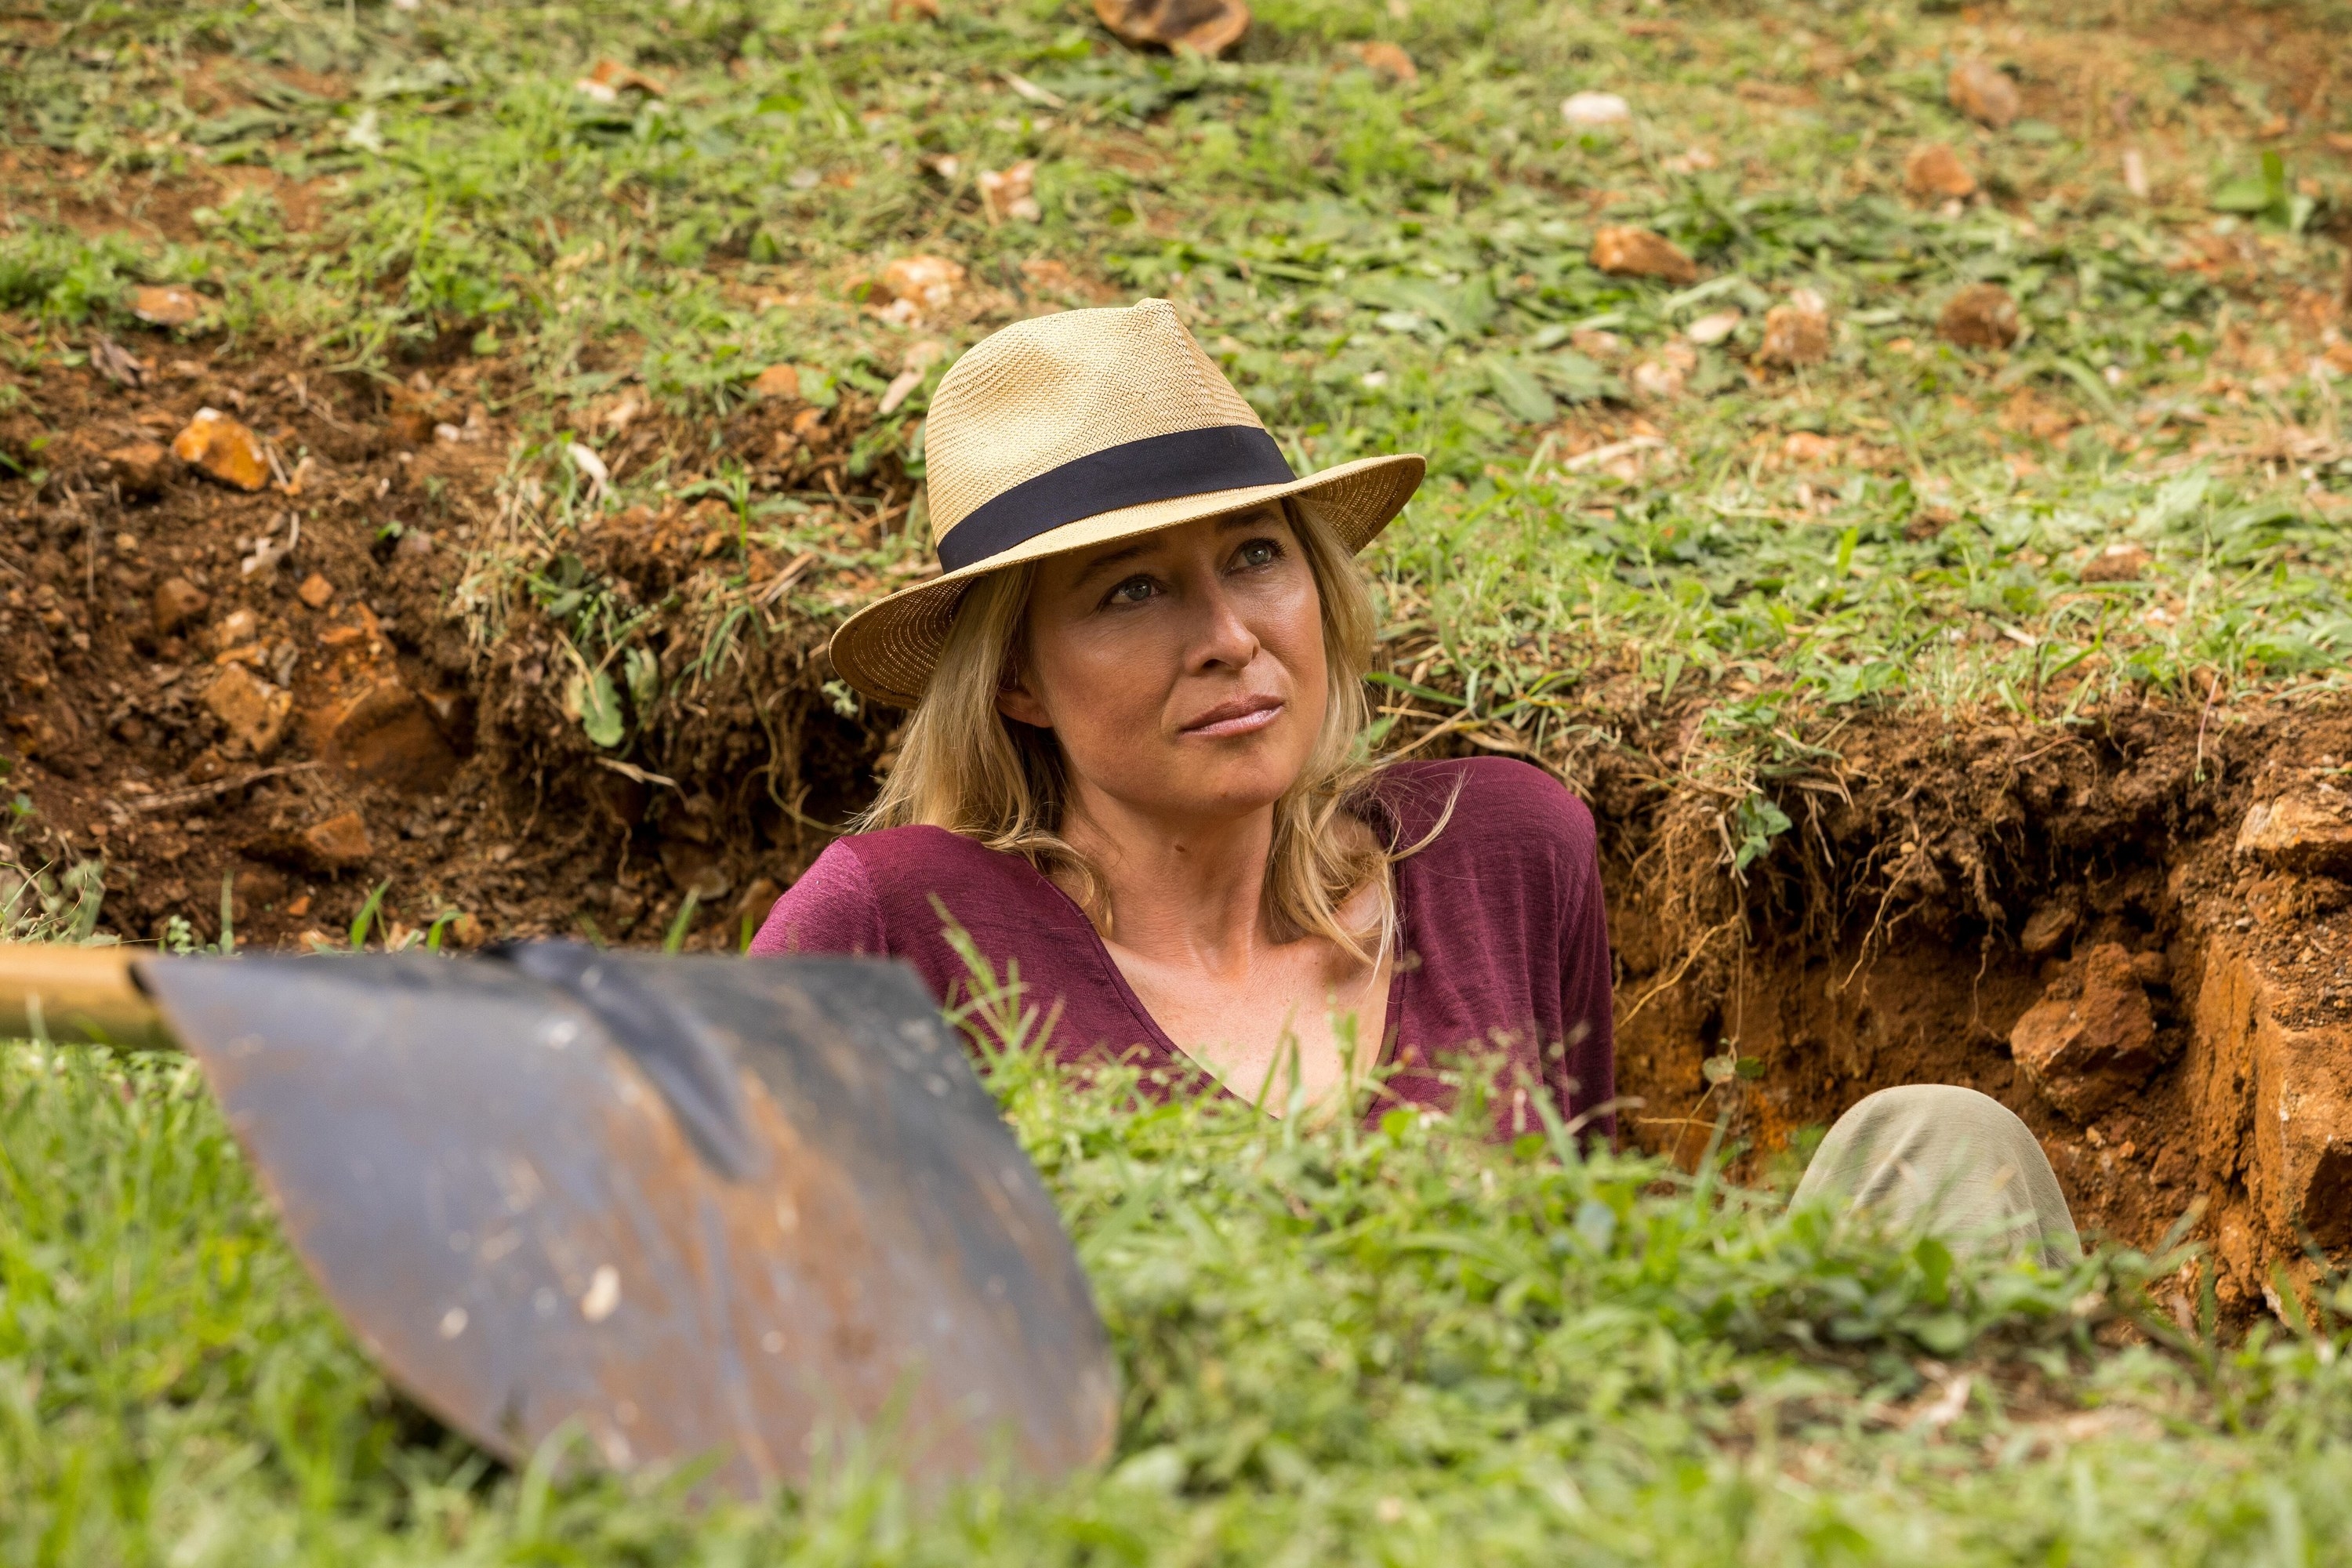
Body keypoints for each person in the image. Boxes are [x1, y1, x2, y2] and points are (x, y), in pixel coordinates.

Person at [751, 299, 2080, 1268]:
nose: (1231, 634)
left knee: (1944, 1144)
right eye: (1134, 590)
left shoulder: (1500, 850)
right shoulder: (894, 930)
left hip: (1566, 1494)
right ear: (1019, 681)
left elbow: (1600, 1281)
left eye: (1258, 556)